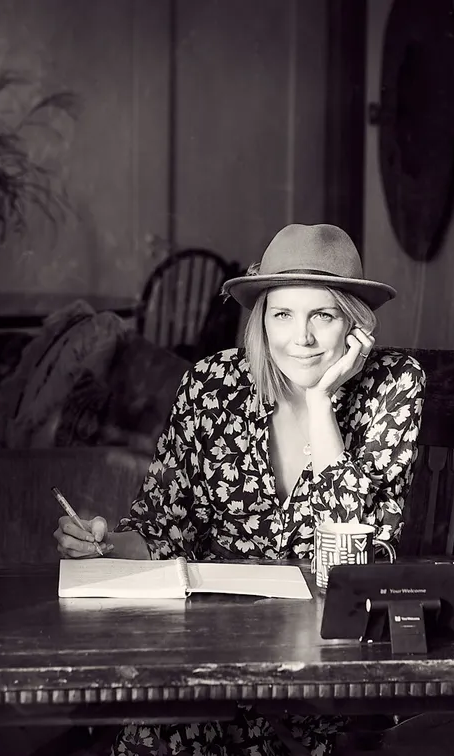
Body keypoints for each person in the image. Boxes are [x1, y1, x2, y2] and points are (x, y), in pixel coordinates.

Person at [53, 223, 426, 756]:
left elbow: (358, 561)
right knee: (169, 719)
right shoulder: (210, 385)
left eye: (323, 315)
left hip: (329, 664)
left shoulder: (395, 385)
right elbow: (163, 525)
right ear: (261, 320)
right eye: (283, 315)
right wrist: (104, 544)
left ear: (355, 326)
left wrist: (322, 406)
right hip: (214, 650)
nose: (301, 338)